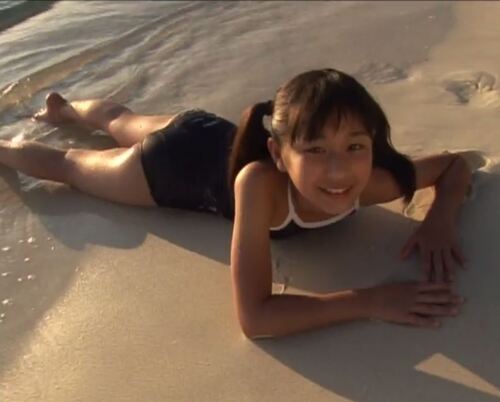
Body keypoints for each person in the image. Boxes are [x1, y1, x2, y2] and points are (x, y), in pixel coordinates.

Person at [0, 68, 471, 338]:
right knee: (69, 165)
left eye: (355, 146)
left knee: (122, 119)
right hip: (170, 168)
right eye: (315, 149)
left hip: (205, 129)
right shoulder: (258, 184)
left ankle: (62, 109)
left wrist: (439, 220)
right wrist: (370, 300)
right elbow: (255, 318)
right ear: (278, 155)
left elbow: (455, 166)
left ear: (371, 144)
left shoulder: (372, 181)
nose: (338, 172)